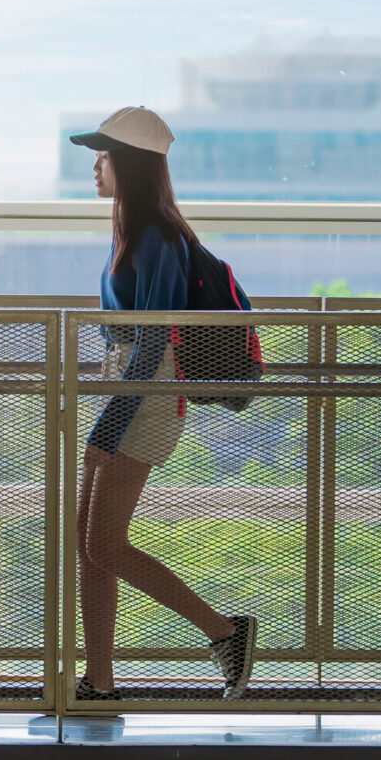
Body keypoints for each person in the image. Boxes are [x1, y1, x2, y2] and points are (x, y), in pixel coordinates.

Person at [68, 105, 258, 704]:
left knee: (104, 544)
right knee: (89, 542)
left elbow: (154, 341)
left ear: (130, 163)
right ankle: (99, 682)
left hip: (144, 395)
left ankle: (226, 633)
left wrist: (107, 423)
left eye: (103, 155)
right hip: (125, 384)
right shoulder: (136, 231)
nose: (95, 166)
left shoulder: (157, 237)